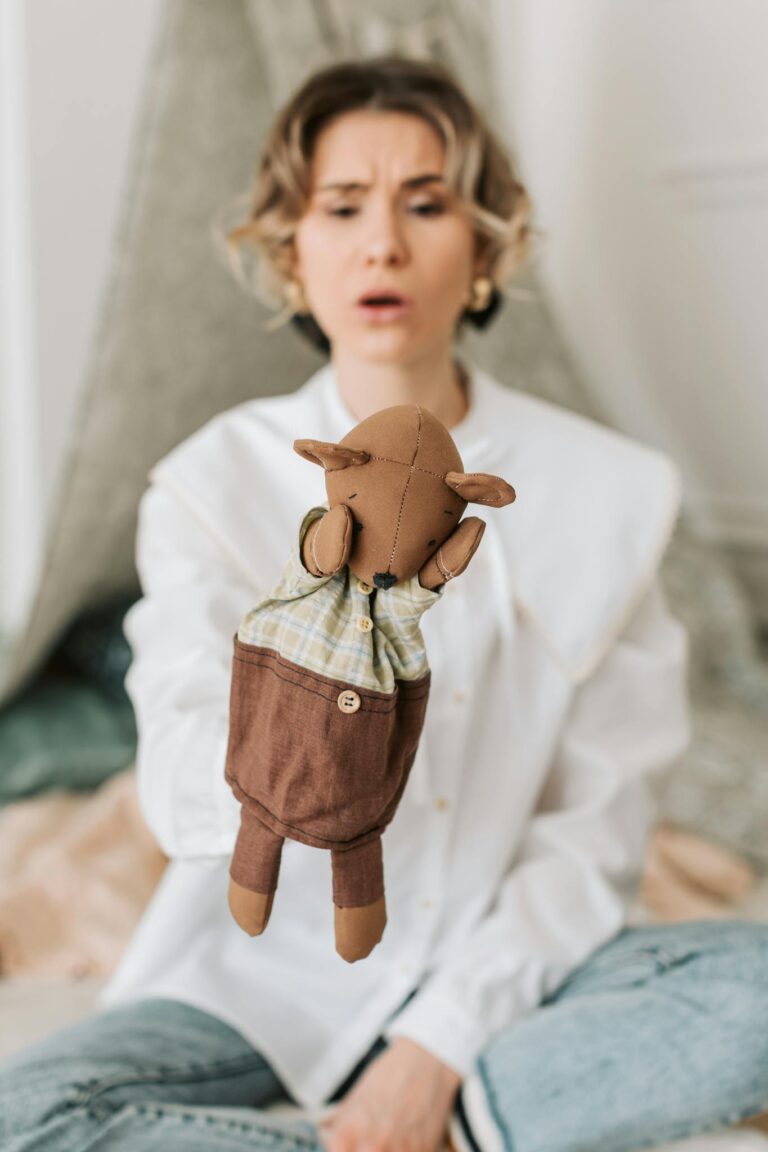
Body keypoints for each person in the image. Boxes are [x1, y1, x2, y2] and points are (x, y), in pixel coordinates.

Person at [2, 53, 768, 1152]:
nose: (383, 244)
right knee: (24, 1112)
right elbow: (176, 776)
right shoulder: (209, 482)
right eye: (342, 206)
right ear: (290, 256)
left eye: (426, 203)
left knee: (755, 994)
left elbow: (592, 830)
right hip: (255, 985)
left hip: (511, 978)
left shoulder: (611, 491)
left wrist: (437, 1050)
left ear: (487, 249)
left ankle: (450, 1118)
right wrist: (295, 715)